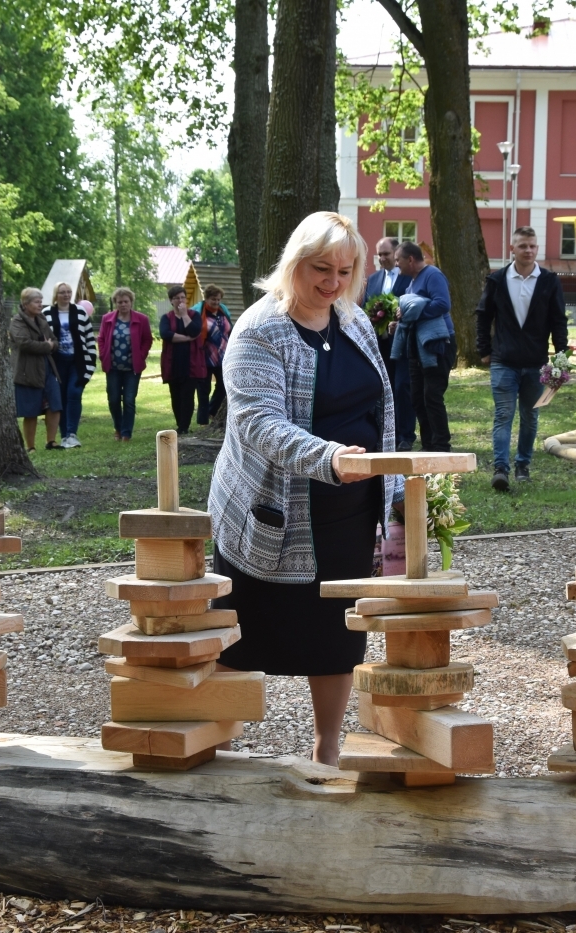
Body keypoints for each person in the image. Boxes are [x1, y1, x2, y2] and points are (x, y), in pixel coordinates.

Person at [208, 211, 398, 766]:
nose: (333, 283)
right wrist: (330, 457)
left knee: (336, 641)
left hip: (348, 512)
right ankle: (209, 748)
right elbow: (258, 423)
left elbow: (379, 405)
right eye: (321, 269)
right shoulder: (257, 331)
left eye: (345, 270)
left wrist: (384, 482)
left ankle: (327, 749)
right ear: (294, 263)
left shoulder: (353, 320)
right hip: (270, 519)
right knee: (241, 639)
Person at [474, 225, 568, 490]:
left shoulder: (549, 281)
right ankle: (500, 468)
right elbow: (483, 316)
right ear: (512, 249)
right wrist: (484, 350)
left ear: (537, 248)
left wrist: (560, 360)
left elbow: (559, 321)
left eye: (533, 246)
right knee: (504, 414)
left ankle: (522, 464)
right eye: (523, 246)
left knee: (530, 416)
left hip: (536, 363)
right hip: (504, 361)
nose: (528, 250)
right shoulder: (497, 280)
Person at [392, 241, 455, 452]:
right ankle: (428, 444)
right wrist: (400, 323)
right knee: (417, 397)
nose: (396, 265)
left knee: (432, 395)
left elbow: (443, 304)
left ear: (410, 259)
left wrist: (413, 312)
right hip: (417, 346)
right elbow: (412, 313)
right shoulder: (411, 283)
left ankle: (441, 446)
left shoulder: (432, 275)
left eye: (398, 260)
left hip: (437, 344)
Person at [363, 236, 416, 450]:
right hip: (379, 343)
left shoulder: (408, 278)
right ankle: (385, 432)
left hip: (401, 342)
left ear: (396, 254)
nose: (382, 258)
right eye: (379, 254)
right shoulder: (373, 279)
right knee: (381, 387)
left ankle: (405, 434)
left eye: (386, 254)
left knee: (402, 387)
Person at [9, 287, 63, 451]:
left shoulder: (42, 319)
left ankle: (51, 442)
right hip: (27, 372)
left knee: (55, 405)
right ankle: (30, 446)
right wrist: (46, 346)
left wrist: (50, 345)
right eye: (36, 302)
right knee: (30, 410)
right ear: (25, 304)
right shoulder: (17, 321)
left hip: (47, 369)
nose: (40, 305)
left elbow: (54, 341)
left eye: (41, 301)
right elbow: (24, 343)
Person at [45, 282, 98, 448]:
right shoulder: (46, 313)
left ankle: (72, 434)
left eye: (68, 292)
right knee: (60, 398)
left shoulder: (80, 312)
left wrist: (90, 363)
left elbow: (89, 339)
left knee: (74, 393)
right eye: (62, 292)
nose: (66, 295)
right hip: (56, 363)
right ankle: (63, 436)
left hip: (77, 362)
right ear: (56, 295)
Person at [98, 287, 153, 441]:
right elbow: (101, 338)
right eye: (119, 302)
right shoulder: (107, 319)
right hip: (113, 366)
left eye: (126, 301)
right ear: (115, 303)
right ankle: (118, 427)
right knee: (114, 399)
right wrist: (103, 354)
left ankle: (126, 433)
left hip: (132, 367)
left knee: (129, 400)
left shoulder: (141, 319)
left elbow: (147, 340)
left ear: (131, 302)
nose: (123, 304)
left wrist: (141, 355)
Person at [161, 285, 206, 433]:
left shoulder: (194, 316)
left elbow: (195, 331)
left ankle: (184, 427)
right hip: (173, 362)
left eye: (182, 297)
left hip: (191, 362)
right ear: (171, 301)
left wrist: (185, 315)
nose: (180, 300)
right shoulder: (166, 318)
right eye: (176, 298)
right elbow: (166, 334)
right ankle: (179, 422)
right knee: (175, 395)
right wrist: (187, 338)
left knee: (188, 395)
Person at [195, 285, 232, 424]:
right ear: (206, 299)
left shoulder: (223, 311)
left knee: (223, 386)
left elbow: (230, 329)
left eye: (218, 299)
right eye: (213, 300)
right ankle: (202, 420)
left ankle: (212, 411)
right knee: (204, 389)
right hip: (205, 356)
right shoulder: (199, 312)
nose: (216, 302)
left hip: (223, 356)